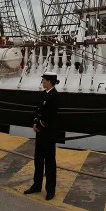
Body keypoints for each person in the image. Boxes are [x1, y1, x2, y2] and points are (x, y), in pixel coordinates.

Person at [24, 72, 60, 201]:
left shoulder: (55, 96)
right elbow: (38, 110)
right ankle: (37, 185)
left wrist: (38, 125)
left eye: (44, 80)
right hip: (41, 135)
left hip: (48, 135)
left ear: (50, 81)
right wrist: (35, 121)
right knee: (38, 160)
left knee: (50, 163)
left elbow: (51, 117)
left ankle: (50, 190)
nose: (42, 82)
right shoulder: (45, 94)